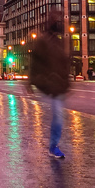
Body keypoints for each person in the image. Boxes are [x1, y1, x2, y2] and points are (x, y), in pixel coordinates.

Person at [29, 13, 72, 159]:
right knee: (58, 116)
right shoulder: (42, 41)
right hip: (48, 85)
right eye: (57, 21)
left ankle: (54, 145)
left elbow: (64, 64)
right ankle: (53, 147)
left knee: (58, 116)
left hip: (58, 86)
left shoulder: (59, 42)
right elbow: (35, 62)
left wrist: (67, 83)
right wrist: (31, 81)